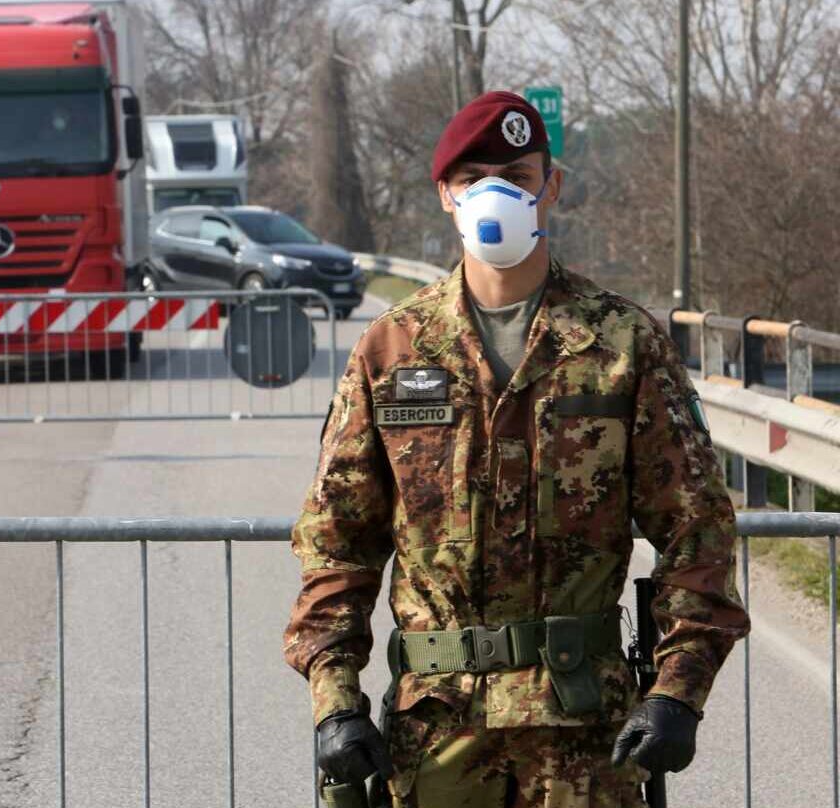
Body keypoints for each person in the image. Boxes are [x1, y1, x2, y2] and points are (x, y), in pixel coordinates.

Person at [284, 91, 750, 807]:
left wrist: (678, 691)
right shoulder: (393, 349)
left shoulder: (621, 343)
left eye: (517, 176)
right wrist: (335, 701)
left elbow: (698, 529)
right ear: (445, 194)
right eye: (472, 178)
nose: (493, 194)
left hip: (584, 735)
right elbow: (336, 541)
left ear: (549, 188)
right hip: (438, 735)